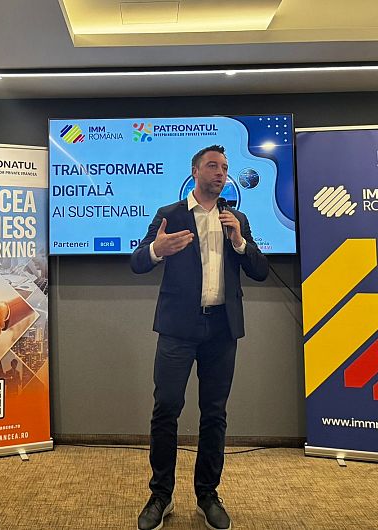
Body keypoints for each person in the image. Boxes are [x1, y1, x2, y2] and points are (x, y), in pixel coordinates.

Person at [131, 145, 269, 530]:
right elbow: (137, 262)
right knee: (166, 409)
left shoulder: (236, 218)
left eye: (225, 167)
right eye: (212, 165)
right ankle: (161, 495)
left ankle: (208, 494)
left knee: (214, 414)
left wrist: (239, 242)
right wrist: (156, 250)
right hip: (177, 329)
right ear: (195, 172)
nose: (220, 172)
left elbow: (260, 270)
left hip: (221, 331)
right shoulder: (170, 215)